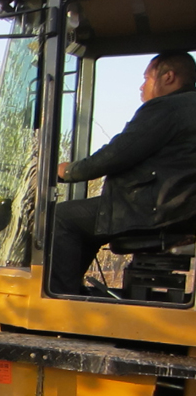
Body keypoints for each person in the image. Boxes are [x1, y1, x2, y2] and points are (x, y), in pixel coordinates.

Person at [51, 51, 196, 295]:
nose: (142, 86)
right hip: (177, 210)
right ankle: (70, 292)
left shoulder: (168, 108)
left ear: (168, 77)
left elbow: (118, 153)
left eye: (147, 78)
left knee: (62, 217)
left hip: (155, 211)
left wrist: (69, 171)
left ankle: (60, 303)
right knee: (85, 223)